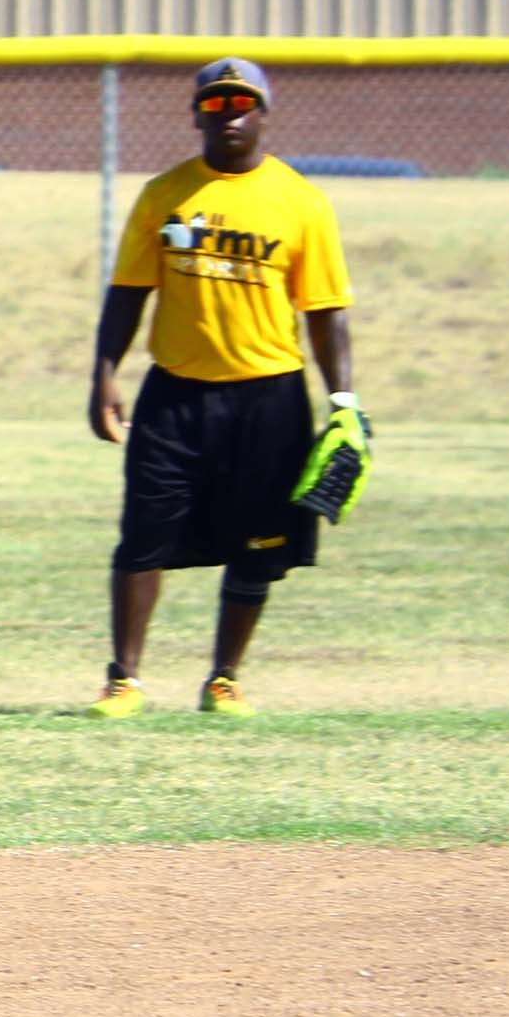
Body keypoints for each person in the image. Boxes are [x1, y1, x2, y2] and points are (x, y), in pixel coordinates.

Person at [87, 56, 360, 718]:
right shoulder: (165, 195)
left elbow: (327, 312)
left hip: (268, 397)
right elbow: (126, 295)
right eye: (214, 104)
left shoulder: (301, 202)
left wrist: (345, 403)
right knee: (144, 532)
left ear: (264, 114)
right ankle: (125, 679)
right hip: (175, 393)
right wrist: (104, 377)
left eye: (241, 104)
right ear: (195, 114)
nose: (229, 115)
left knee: (261, 541)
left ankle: (224, 678)